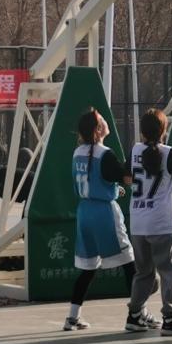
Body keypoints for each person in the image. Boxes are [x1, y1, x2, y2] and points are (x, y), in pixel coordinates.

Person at [63, 109, 136, 332]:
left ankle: (72, 317)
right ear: (98, 129)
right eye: (102, 119)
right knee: (129, 263)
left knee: (88, 268)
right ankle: (137, 314)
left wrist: (112, 188)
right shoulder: (105, 154)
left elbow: (95, 179)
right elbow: (127, 178)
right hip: (104, 213)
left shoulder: (77, 153)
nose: (106, 120)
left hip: (84, 212)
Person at [125, 108, 172, 336]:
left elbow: (126, 175)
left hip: (137, 222)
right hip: (160, 222)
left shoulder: (134, 150)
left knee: (143, 272)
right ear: (163, 130)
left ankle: (134, 315)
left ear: (142, 131)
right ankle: (170, 319)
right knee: (168, 272)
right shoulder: (169, 153)